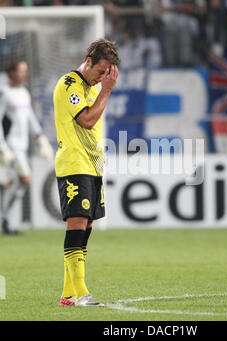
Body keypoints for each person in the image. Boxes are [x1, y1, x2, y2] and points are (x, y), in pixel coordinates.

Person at [53, 39, 119, 307]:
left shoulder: (94, 87)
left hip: (92, 166)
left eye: (108, 74)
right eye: (101, 71)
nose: (103, 78)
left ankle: (68, 293)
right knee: (77, 225)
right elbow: (88, 120)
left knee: (86, 228)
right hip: (74, 164)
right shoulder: (69, 85)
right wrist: (107, 91)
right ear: (89, 62)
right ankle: (81, 293)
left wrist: (103, 89)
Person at [0, 61, 53, 235]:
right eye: (21, 71)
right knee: (25, 179)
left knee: (16, 183)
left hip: (22, 146)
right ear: (12, 72)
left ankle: (6, 221)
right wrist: (2, 146)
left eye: (26, 71)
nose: (24, 74)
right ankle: (5, 219)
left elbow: (29, 117)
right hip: (11, 146)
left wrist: (41, 137)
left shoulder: (23, 93)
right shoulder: (5, 93)